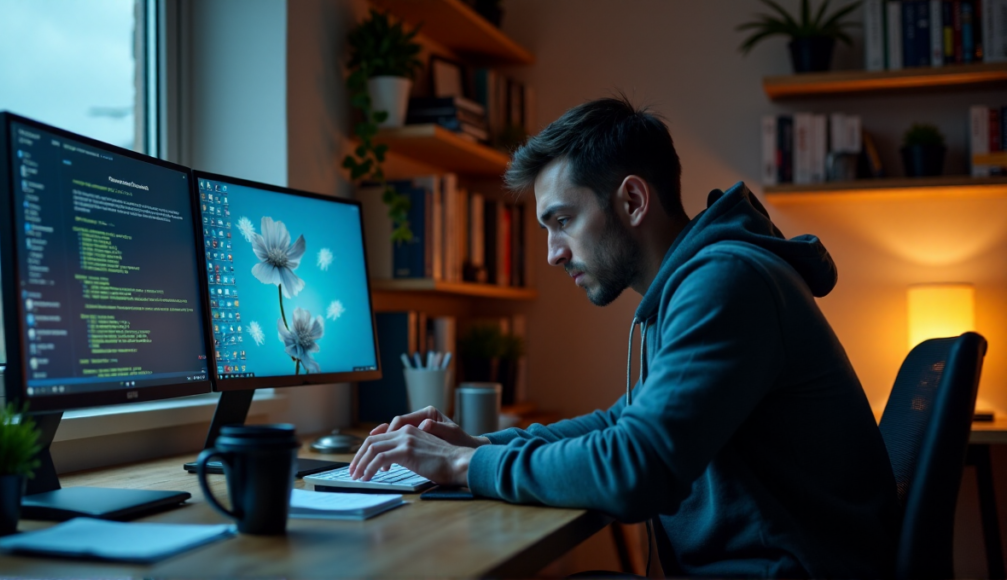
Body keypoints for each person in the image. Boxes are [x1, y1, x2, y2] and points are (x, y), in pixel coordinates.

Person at [348, 96, 900, 578]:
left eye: (562, 220)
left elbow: (638, 466)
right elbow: (621, 423)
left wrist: (462, 468)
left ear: (632, 201)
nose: (553, 252)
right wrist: (478, 445)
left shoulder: (727, 283)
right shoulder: (698, 284)